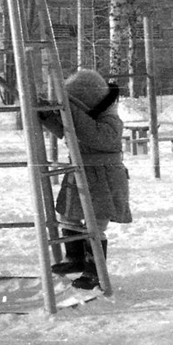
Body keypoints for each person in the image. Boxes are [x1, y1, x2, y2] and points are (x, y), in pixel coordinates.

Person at [38, 69, 132, 290]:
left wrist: (70, 109)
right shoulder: (85, 119)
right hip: (81, 172)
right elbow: (65, 131)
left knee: (95, 223)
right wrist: (47, 117)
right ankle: (75, 257)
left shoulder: (111, 121)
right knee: (68, 214)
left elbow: (91, 134)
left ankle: (94, 269)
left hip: (104, 177)